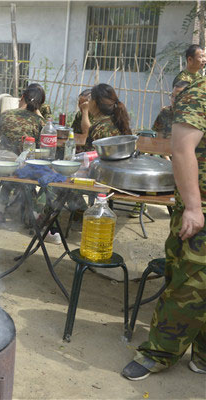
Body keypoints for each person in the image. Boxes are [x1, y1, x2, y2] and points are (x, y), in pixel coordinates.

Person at [121, 75, 206, 381]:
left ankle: (203, 355)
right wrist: (194, 208)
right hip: (203, 209)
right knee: (190, 286)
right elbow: (182, 149)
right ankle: (158, 353)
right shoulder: (201, 92)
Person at [79, 83, 131, 152]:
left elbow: (87, 157)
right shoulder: (118, 120)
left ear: (94, 102)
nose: (88, 102)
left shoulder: (98, 128)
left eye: (90, 99)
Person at [0, 84, 45, 154]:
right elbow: (47, 134)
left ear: (22, 97)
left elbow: (0, 133)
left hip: (2, 159)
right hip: (26, 160)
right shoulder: (39, 121)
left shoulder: (5, 114)